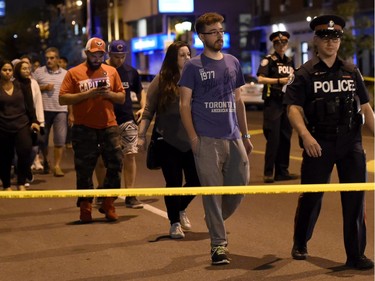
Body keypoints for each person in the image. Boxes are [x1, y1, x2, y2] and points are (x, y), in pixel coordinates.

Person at [284, 15, 375, 270]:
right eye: (325, 37)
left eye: (335, 38)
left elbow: (366, 108)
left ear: (340, 40)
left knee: (356, 199)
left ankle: (356, 255)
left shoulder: (350, 70)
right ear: (316, 40)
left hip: (350, 142)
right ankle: (301, 241)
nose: (331, 42)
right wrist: (305, 136)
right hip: (319, 143)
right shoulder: (304, 73)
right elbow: (292, 108)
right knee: (312, 196)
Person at [179, 12, 253, 265]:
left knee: (240, 184)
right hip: (207, 139)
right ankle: (218, 246)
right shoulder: (192, 66)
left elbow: (239, 100)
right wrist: (193, 139)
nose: (220, 35)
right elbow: (184, 104)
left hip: (233, 136)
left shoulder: (232, 62)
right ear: (202, 37)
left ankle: (214, 219)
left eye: (221, 30)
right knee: (212, 193)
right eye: (214, 32)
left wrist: (245, 135)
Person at [59, 37, 125, 223]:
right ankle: (85, 207)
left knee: (115, 164)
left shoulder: (111, 71)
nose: (97, 58)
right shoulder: (74, 73)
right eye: (94, 54)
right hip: (83, 127)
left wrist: (109, 94)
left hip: (109, 125)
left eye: (100, 54)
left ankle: (108, 202)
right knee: (84, 169)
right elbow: (62, 99)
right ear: (87, 53)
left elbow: (121, 96)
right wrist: (86, 94)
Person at [138, 41, 199, 239]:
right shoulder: (162, 79)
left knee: (197, 181)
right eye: (182, 55)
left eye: (189, 54)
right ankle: (174, 223)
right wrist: (141, 136)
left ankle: (180, 208)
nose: (187, 58)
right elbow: (148, 111)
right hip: (167, 140)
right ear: (173, 58)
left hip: (191, 140)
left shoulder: (196, 78)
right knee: (173, 182)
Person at [102, 39, 146, 208]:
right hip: (106, 119)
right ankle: (103, 192)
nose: (119, 60)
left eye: (122, 56)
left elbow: (140, 90)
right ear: (109, 54)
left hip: (126, 118)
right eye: (116, 56)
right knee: (104, 158)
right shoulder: (102, 70)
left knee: (130, 154)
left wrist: (143, 107)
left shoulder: (130, 71)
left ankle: (130, 194)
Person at [257, 31, 298, 183]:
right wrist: (280, 80)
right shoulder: (269, 60)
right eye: (278, 44)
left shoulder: (289, 61)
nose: (281, 46)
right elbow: (260, 78)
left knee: (286, 137)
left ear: (287, 45)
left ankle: (282, 171)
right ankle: (268, 172)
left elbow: (293, 78)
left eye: (284, 43)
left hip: (286, 102)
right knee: (273, 139)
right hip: (272, 103)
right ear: (274, 45)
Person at [0, 60, 40, 191]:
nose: (7, 72)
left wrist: (34, 121)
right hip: (3, 126)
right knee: (5, 156)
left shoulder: (20, 85)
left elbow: (30, 104)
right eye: (4, 70)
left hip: (22, 124)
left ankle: (21, 182)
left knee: (25, 151)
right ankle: (6, 185)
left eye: (9, 70)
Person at [33, 47, 68, 177]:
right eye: (47, 58)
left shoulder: (65, 74)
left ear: (58, 59)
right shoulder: (38, 72)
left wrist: (72, 114)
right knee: (42, 139)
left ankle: (57, 165)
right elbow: (32, 89)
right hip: (43, 111)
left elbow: (69, 93)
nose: (49, 60)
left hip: (60, 110)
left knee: (60, 139)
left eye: (52, 58)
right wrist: (43, 87)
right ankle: (46, 161)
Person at [14, 60, 45, 184]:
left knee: (33, 148)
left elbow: (38, 102)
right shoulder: (13, 84)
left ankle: (25, 169)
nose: (27, 71)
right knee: (18, 150)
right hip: (16, 120)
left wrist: (40, 122)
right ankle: (21, 175)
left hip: (31, 121)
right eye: (24, 69)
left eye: (28, 68)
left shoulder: (33, 83)